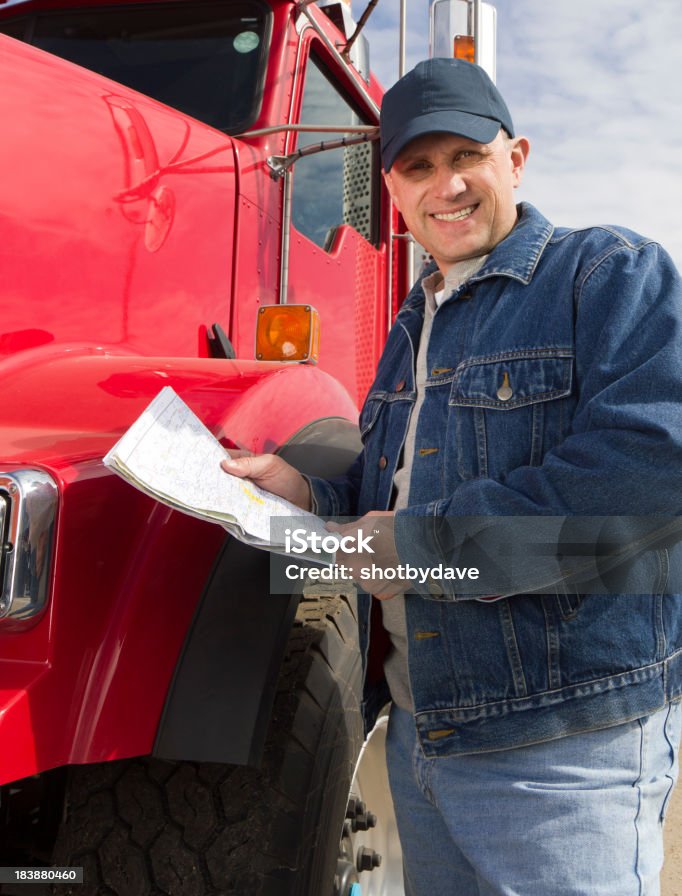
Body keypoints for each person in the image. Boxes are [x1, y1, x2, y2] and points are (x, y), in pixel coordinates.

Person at [222, 58, 682, 895]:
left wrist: (426, 546)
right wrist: (308, 494)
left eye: (466, 156)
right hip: (423, 739)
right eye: (418, 167)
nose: (447, 186)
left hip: (559, 750)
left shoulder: (608, 274)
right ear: (391, 188)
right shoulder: (413, 321)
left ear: (516, 158)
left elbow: (649, 477)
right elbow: (392, 495)